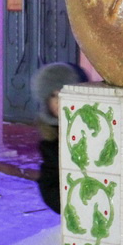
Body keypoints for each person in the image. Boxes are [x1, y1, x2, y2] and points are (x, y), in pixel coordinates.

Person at [32, 62, 87, 213]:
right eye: (53, 95)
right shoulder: (51, 141)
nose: (58, 101)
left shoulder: (92, 130)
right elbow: (49, 184)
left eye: (63, 94)